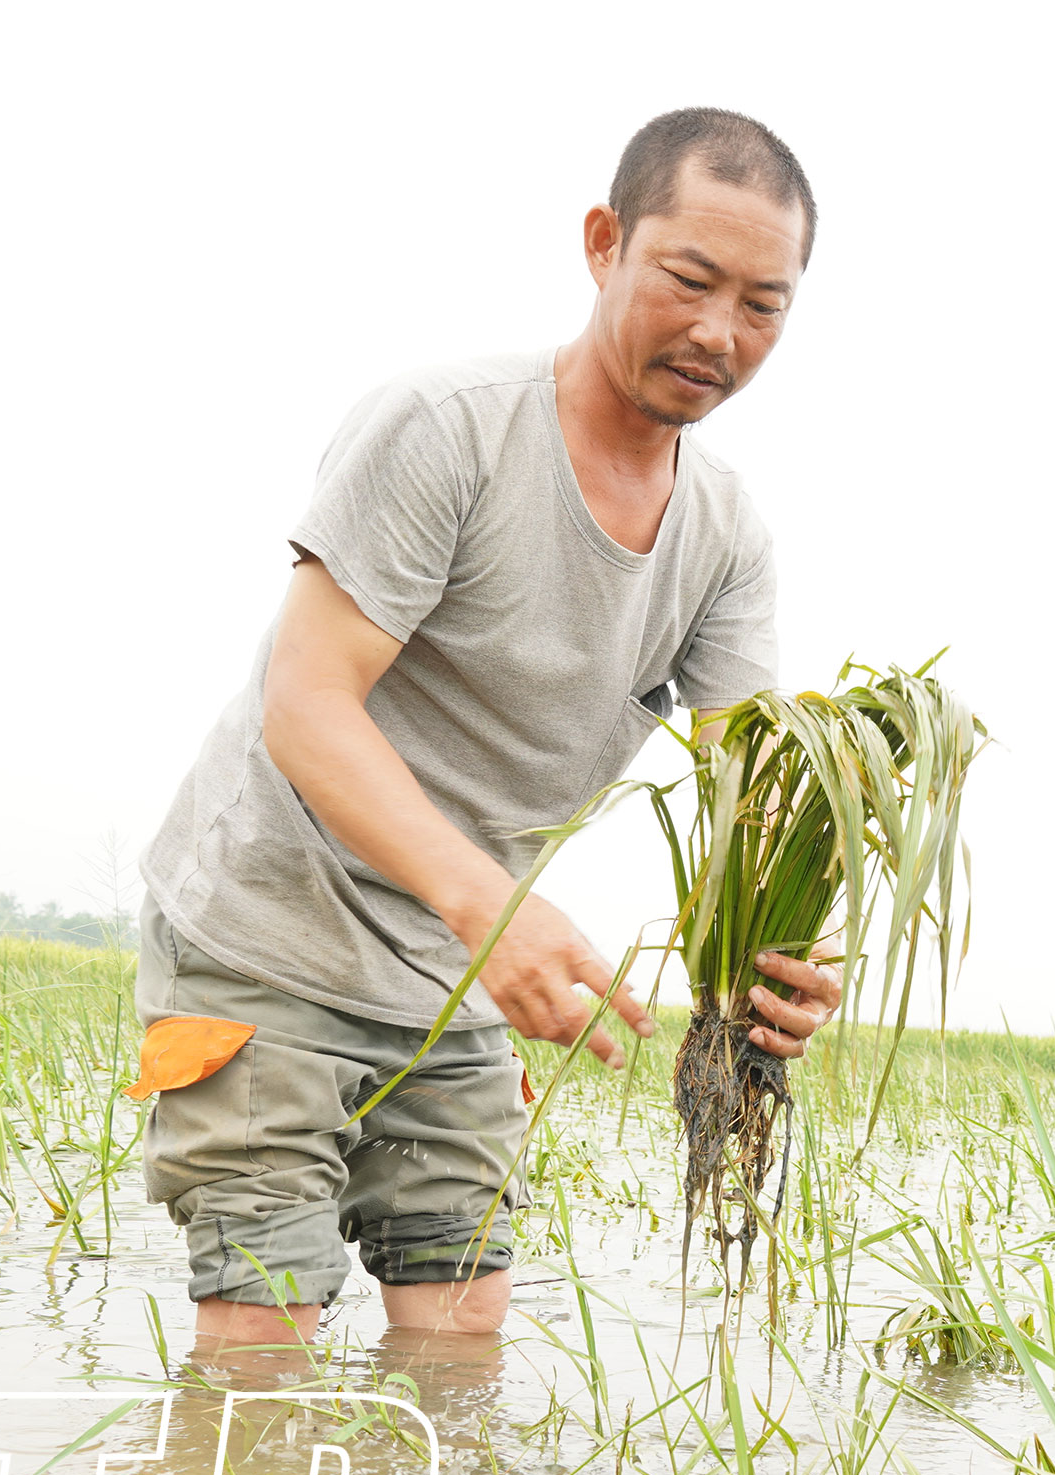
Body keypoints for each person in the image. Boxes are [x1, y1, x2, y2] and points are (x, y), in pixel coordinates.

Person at [133, 108, 842, 1357]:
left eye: (763, 306)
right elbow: (306, 705)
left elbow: (752, 792)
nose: (719, 333)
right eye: (689, 280)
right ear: (604, 243)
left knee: (460, 1337)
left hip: (454, 974)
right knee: (261, 1333)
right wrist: (493, 912)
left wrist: (789, 946)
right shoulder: (446, 430)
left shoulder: (726, 540)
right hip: (268, 939)